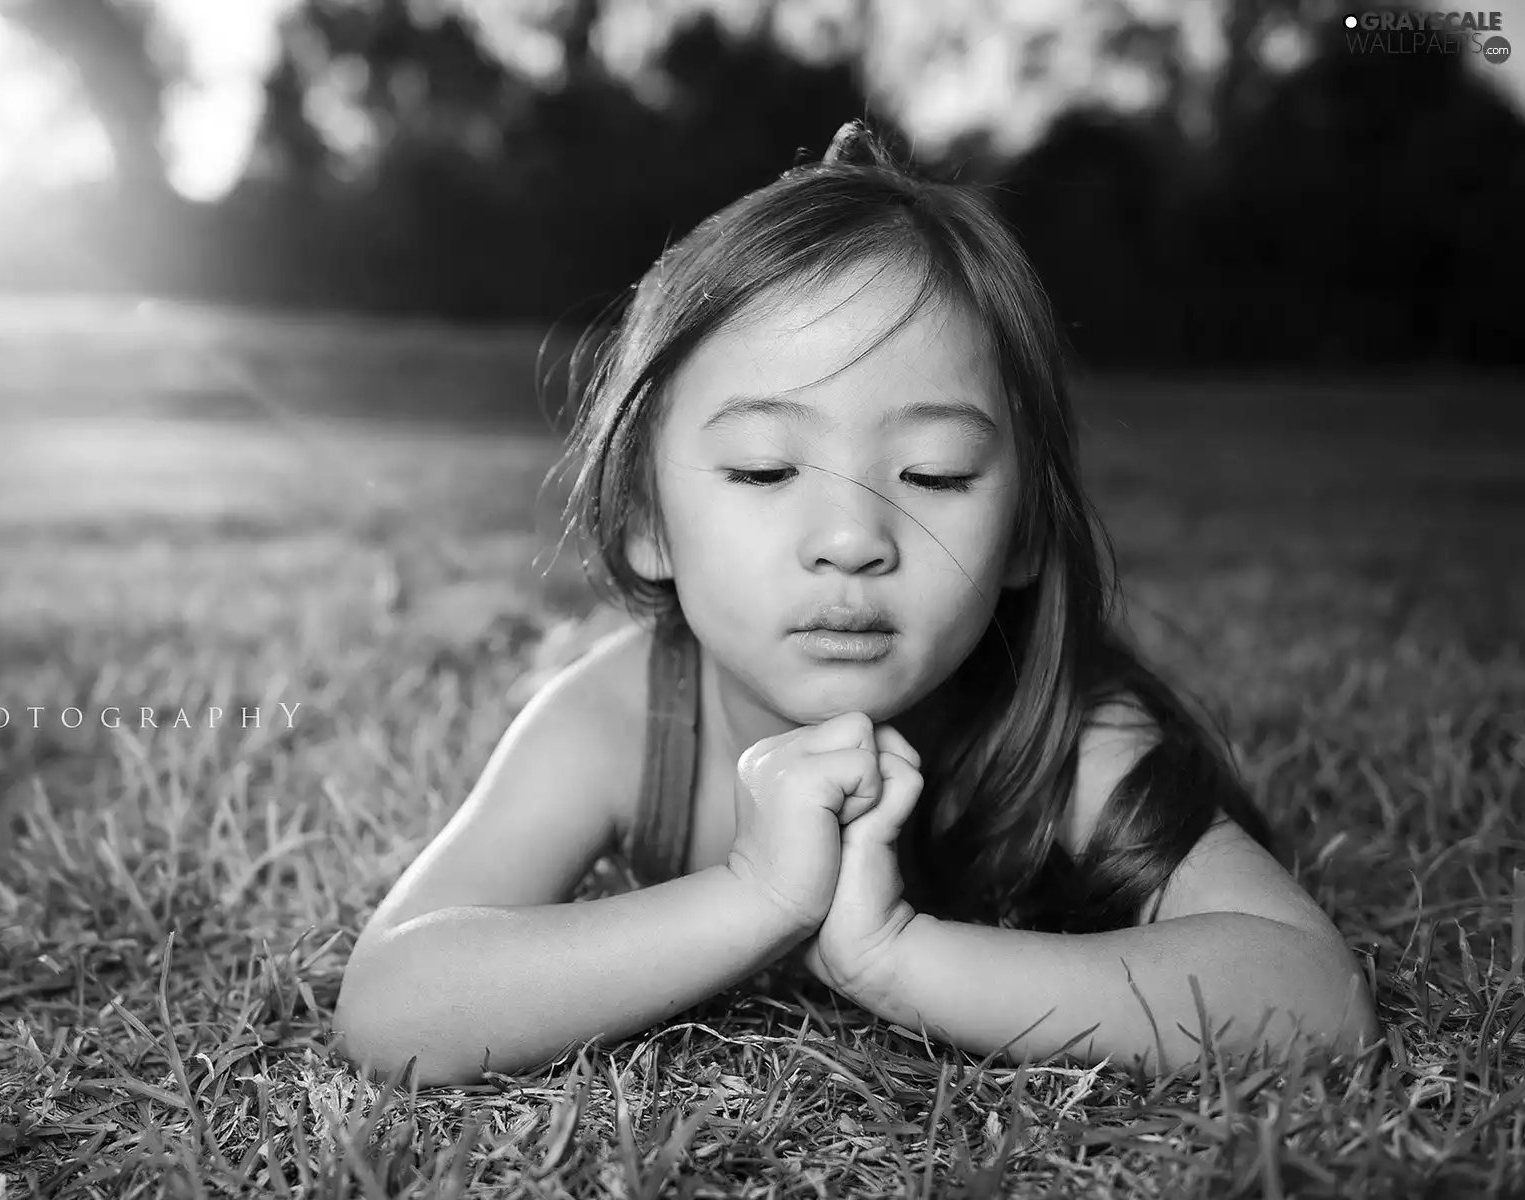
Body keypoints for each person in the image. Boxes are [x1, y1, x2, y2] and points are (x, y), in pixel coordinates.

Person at [330, 119, 1382, 1089]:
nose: (851, 540)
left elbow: (1314, 1001)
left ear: (1022, 531)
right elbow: (392, 1007)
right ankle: (453, 611)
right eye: (759, 470)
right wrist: (753, 891)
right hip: (615, 643)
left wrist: (898, 958)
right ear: (647, 517)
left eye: (932, 475)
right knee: (526, 643)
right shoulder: (610, 717)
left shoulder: (1062, 726)